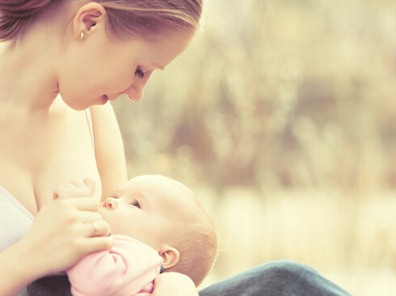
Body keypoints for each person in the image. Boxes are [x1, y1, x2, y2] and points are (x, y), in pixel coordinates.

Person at [0, 0, 351, 295]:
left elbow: (128, 252)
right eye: (139, 70)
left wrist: (172, 285)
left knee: (285, 283)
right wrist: (28, 257)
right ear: (89, 23)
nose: (137, 94)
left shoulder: (95, 115)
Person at [28, 175, 217, 296]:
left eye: (135, 204)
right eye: (117, 196)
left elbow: (97, 280)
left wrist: (78, 213)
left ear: (163, 256)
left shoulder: (141, 254)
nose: (110, 201)